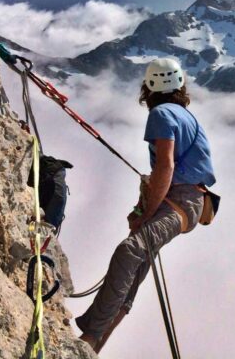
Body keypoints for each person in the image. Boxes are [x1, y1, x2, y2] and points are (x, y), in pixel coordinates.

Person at [76, 58, 215, 352]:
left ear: (148, 88)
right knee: (135, 266)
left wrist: (146, 213)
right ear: (180, 86)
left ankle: (90, 336)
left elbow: (165, 166)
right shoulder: (183, 114)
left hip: (178, 201)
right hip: (186, 201)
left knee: (129, 252)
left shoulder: (161, 114)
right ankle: (92, 346)